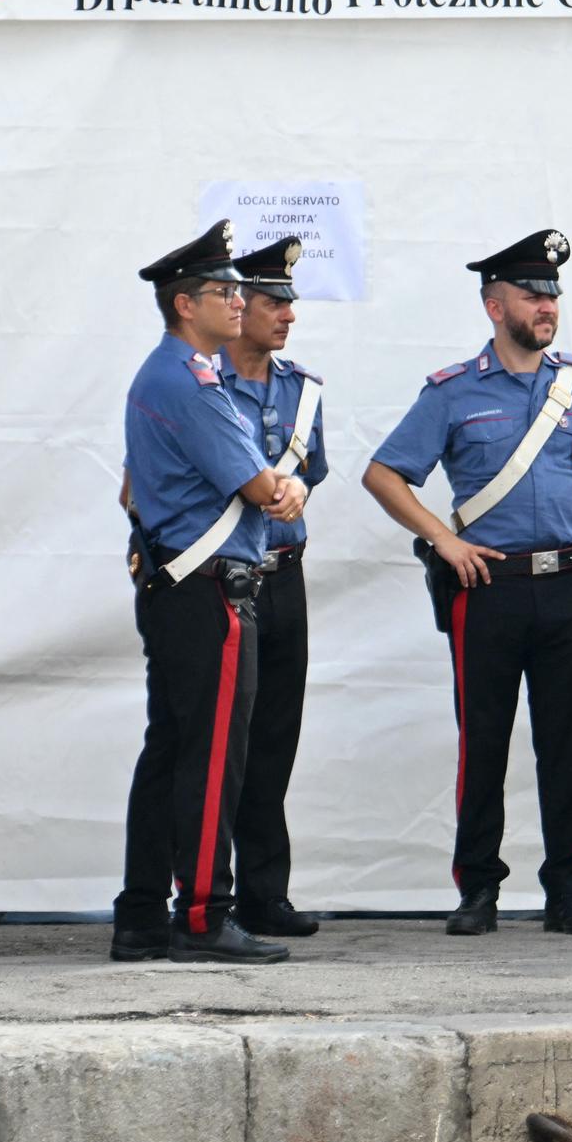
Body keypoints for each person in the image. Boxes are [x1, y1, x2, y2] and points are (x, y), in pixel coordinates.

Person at [364, 230, 572, 938]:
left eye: (553, 294)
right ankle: (477, 889)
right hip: (487, 587)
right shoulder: (453, 392)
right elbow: (384, 473)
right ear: (495, 305)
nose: (547, 306)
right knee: (484, 743)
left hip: (565, 585)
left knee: (567, 744)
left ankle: (567, 889)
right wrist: (443, 538)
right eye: (532, 295)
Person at [113, 219, 298, 965]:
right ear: (185, 304)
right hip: (210, 592)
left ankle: (140, 914)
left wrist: (277, 487)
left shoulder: (176, 376)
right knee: (211, 756)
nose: (238, 300)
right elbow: (258, 484)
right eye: (224, 291)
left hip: (184, 589)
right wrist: (277, 487)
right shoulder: (190, 381)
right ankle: (199, 913)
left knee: (173, 750)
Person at [213, 235, 327, 942]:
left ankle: (264, 893)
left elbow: (310, 471)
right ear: (238, 305)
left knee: (275, 740)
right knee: (222, 743)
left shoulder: (301, 389)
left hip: (285, 577)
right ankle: (206, 896)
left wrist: (294, 495)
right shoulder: (202, 384)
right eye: (272, 301)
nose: (286, 314)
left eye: (289, 302)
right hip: (226, 581)